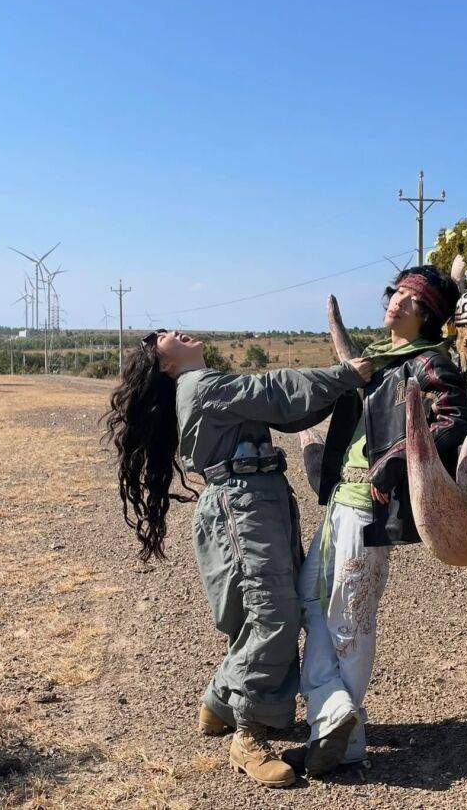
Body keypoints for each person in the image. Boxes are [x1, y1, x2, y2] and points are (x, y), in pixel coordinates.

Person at [104, 329, 372, 789]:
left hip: (259, 500)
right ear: (165, 365)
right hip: (242, 506)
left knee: (268, 609)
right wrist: (343, 374)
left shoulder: (207, 384)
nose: (169, 332)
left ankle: (220, 702)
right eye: (158, 337)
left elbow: (284, 412)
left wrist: (341, 385)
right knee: (272, 615)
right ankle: (248, 734)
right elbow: (272, 392)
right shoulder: (202, 387)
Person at [287, 265, 467, 776]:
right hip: (339, 502)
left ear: (429, 317)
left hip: (368, 507)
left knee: (349, 614)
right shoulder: (377, 359)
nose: (395, 303)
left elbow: (457, 419)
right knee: (310, 602)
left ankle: (341, 740)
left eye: (410, 302)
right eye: (395, 294)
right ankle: (333, 716)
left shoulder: (428, 362)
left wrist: (394, 464)